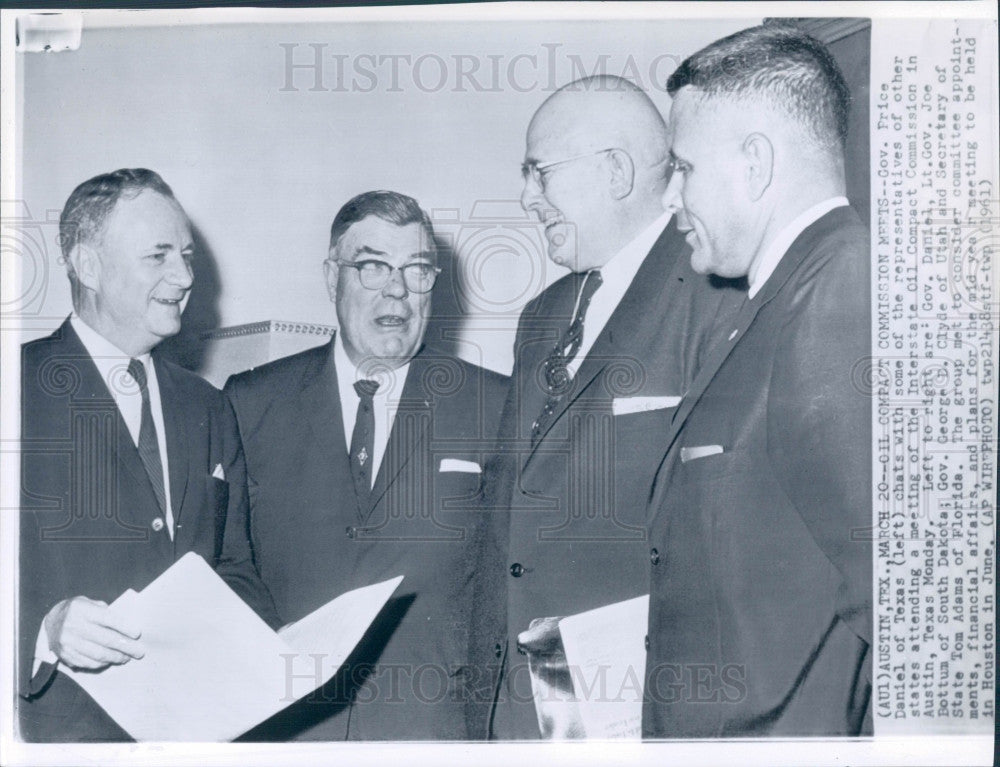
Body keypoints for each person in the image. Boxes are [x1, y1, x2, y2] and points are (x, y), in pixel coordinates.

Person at [464, 75, 741, 739]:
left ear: (617, 170)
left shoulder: (719, 294)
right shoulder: (542, 317)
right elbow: (508, 510)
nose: (527, 197)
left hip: (641, 709)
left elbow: (736, 547)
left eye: (541, 172)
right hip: (516, 709)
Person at [643, 23, 872, 737]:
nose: (669, 199)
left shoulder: (839, 294)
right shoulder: (757, 306)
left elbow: (901, 611)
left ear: (754, 163)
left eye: (682, 167)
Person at [225, 190, 507, 741]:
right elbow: (225, 562)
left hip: (431, 732)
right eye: (374, 266)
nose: (397, 289)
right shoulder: (249, 402)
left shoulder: (494, 407)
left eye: (417, 269)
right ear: (333, 277)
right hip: (285, 731)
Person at [18, 169, 278, 742]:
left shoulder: (208, 405)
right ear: (88, 266)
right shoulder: (16, 388)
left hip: (198, 734)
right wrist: (44, 627)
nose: (184, 276)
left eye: (185, 255)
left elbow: (237, 568)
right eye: (158, 256)